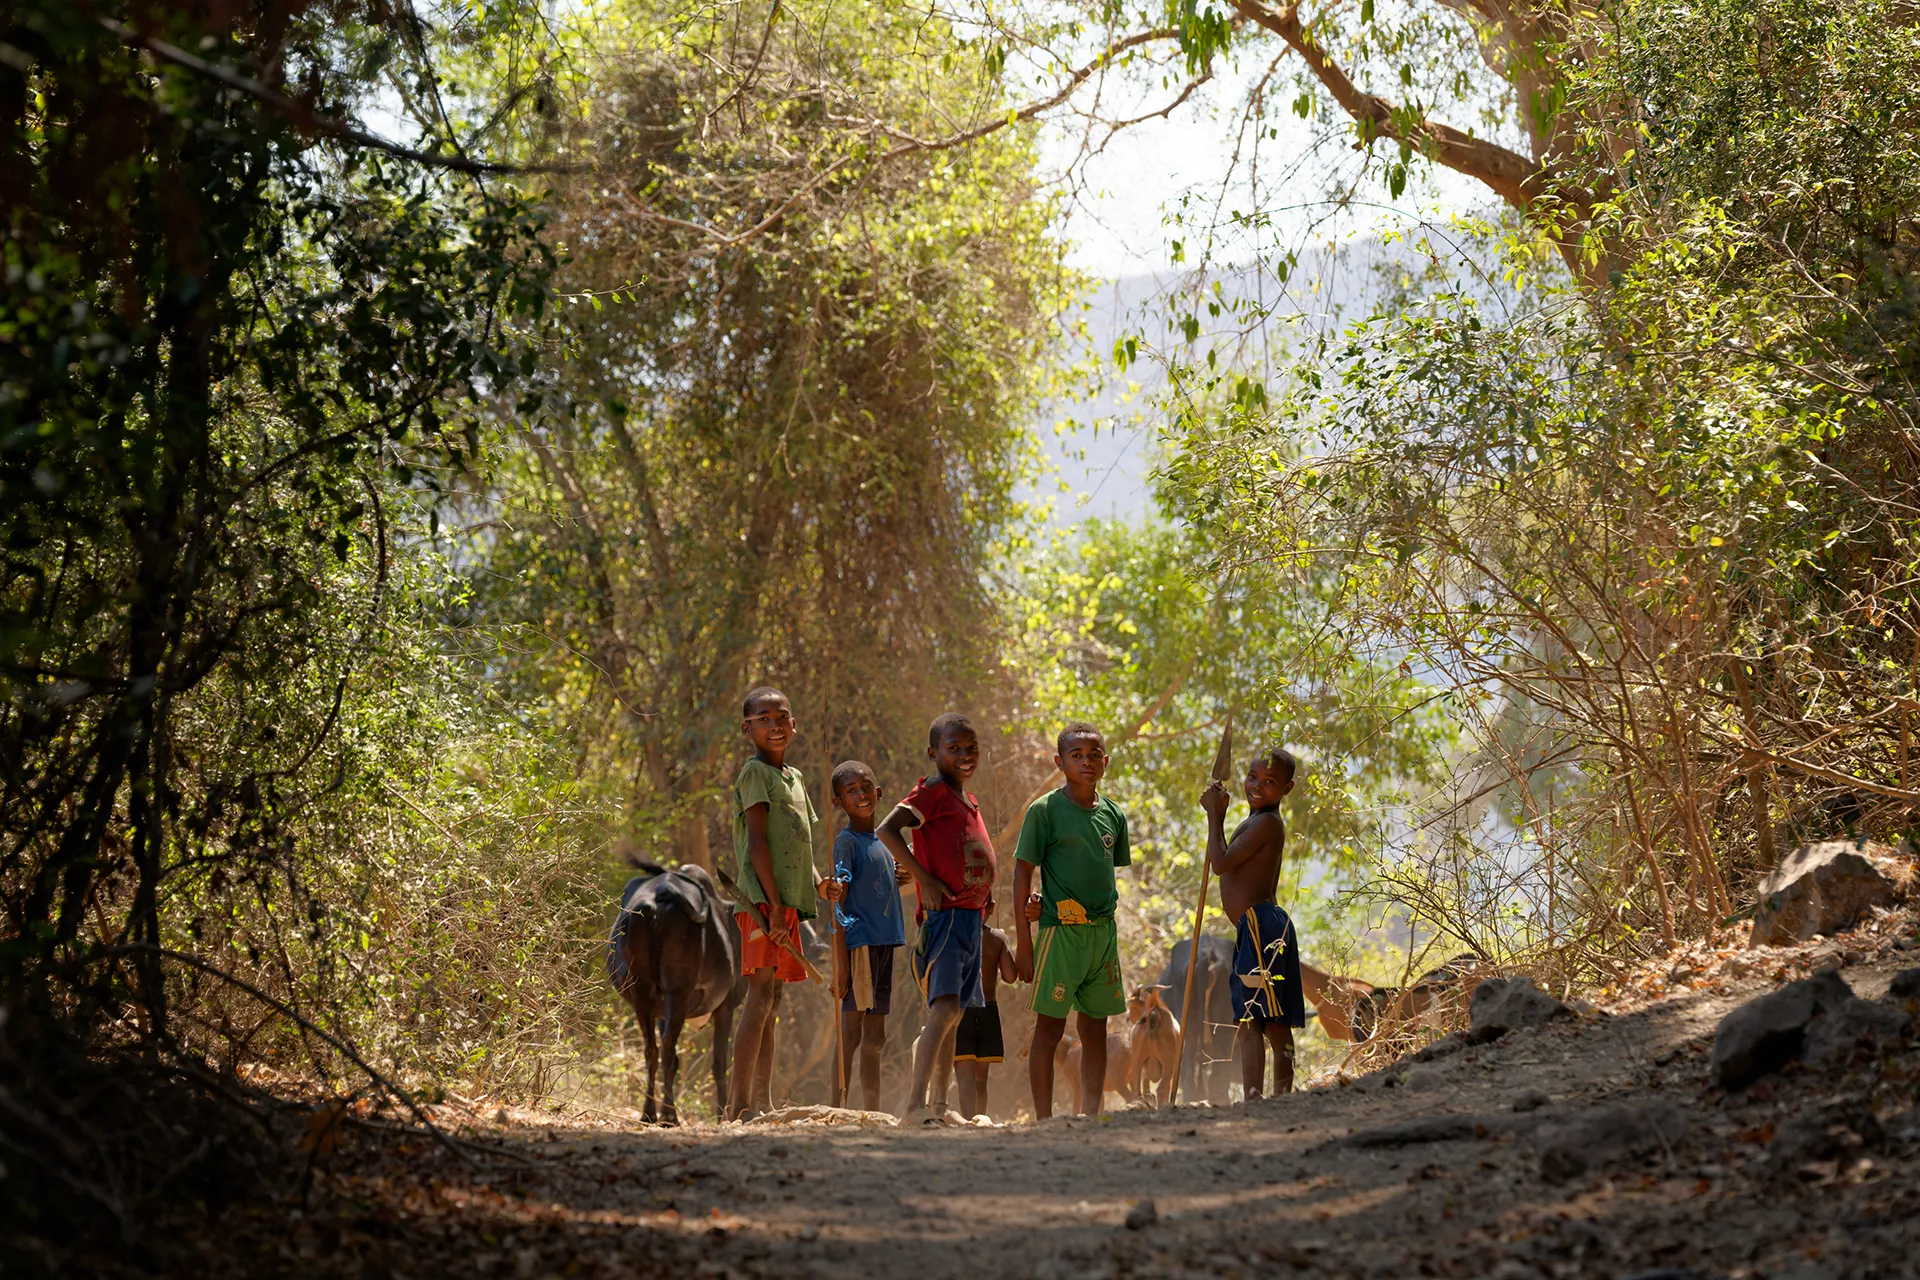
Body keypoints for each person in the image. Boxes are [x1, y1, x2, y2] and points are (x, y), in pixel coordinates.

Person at [877, 712, 996, 1123]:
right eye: (954, 748)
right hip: (945, 919)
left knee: (957, 1013)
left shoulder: (968, 799)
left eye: (971, 748)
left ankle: (942, 1109)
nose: (965, 755)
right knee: (944, 1009)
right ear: (933, 753)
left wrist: (986, 891)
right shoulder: (932, 790)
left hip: (970, 918)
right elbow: (887, 830)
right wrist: (925, 879)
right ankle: (914, 1105)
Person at [727, 686, 836, 1121]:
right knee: (758, 996)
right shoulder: (755, 774)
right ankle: (738, 1105)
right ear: (747, 728)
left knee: (773, 999)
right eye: (764, 718)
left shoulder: (795, 778)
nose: (775, 725)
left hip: (785, 904)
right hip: (761, 903)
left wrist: (819, 883)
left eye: (782, 717)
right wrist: (771, 905)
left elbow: (800, 845)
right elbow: (757, 844)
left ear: (795, 724)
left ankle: (764, 1101)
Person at [1014, 722, 1131, 1119]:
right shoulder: (1045, 811)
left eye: (1094, 755)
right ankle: (1045, 1120)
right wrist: (1024, 941)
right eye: (1076, 755)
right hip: (1060, 935)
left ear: (1106, 761)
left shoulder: (1113, 815)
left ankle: (1091, 1114)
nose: (1087, 762)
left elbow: (1102, 872)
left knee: (1095, 1028)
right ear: (1058, 762)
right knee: (1048, 1029)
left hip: (1102, 936)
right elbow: (1022, 871)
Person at [1200, 746, 1304, 1099]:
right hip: (1252, 929)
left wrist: (1215, 816)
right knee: (1252, 1020)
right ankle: (1258, 1098)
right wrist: (1220, 816)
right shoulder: (1256, 820)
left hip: (1263, 927)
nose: (1257, 785)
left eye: (1270, 781)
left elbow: (1221, 862)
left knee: (1269, 1022)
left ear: (1286, 789)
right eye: (1253, 777)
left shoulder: (1269, 824)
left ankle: (1279, 1097)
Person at [827, 759, 910, 1112]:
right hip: (859, 944)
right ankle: (837, 1108)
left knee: (877, 1035)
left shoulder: (884, 841)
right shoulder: (846, 842)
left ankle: (872, 1111)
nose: (861, 795)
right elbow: (840, 899)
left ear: (878, 792)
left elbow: (877, 881)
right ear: (838, 802)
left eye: (865, 788)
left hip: (885, 944)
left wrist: (896, 876)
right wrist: (841, 965)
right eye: (851, 791)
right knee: (851, 1033)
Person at [951, 893, 1016, 1119]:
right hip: (988, 1009)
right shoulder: (997, 938)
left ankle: (969, 1121)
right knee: (981, 1079)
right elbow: (1009, 976)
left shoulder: (954, 933)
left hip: (960, 1010)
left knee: (965, 1077)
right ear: (991, 908)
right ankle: (980, 1120)